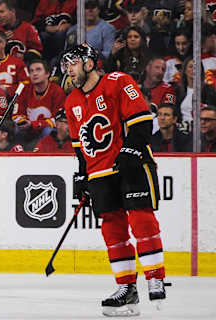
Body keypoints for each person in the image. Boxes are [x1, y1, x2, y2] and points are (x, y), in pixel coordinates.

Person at [63, 44, 167, 317]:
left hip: (130, 164)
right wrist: (82, 174)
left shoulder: (118, 81)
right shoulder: (71, 101)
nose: (69, 69)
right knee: (112, 230)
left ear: (89, 63)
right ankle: (126, 289)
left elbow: (142, 119)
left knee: (140, 218)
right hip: (99, 173)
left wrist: (132, 149)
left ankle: (155, 277)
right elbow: (79, 146)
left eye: (73, 63)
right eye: (66, 65)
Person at [13, 59, 66, 148]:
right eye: (31, 71)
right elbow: (16, 115)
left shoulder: (57, 91)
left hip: (46, 129)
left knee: (48, 131)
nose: (34, 73)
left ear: (47, 74)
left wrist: (35, 124)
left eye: (38, 69)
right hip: (29, 129)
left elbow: (58, 119)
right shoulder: (24, 90)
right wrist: (22, 122)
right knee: (16, 130)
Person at [0, 30, 29, 97]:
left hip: (12, 102)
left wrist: (8, 90)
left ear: (3, 43)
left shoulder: (18, 63)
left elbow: (26, 85)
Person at [139, 56, 177, 133]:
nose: (160, 72)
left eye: (163, 69)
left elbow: (168, 112)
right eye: (157, 67)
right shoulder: (135, 85)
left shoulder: (168, 89)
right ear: (148, 68)